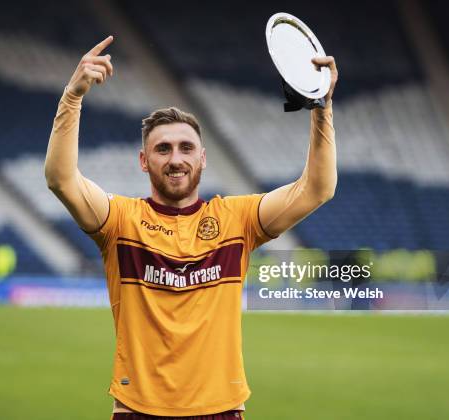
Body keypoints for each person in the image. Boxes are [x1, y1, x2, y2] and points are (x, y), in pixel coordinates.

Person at [45, 35, 338, 419]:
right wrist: (72, 98)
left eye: (185, 148)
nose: (175, 158)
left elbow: (317, 188)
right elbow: (61, 179)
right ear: (143, 161)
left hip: (220, 409)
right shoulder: (120, 221)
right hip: (138, 410)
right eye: (162, 149)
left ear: (202, 159)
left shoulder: (238, 219)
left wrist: (321, 105)